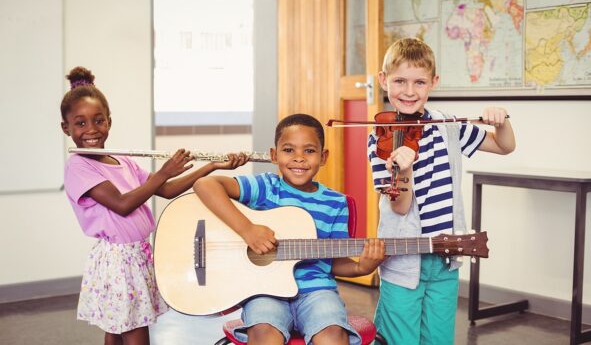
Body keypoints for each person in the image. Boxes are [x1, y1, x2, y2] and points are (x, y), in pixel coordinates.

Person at [60, 66, 247, 345]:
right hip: (118, 262)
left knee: (118, 329)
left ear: (109, 122)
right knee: (135, 332)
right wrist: (165, 171)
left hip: (137, 255)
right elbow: (122, 205)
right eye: (81, 123)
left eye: (98, 121)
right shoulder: (78, 166)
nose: (91, 130)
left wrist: (212, 166)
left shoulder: (121, 160)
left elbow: (168, 190)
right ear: (67, 128)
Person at [368, 38, 516, 345]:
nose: (409, 91)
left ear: (433, 82)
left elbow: (504, 145)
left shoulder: (449, 125)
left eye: (419, 82)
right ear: (383, 80)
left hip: (445, 255)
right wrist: (404, 170)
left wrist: (501, 119)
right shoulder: (380, 137)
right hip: (403, 257)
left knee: (439, 338)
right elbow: (399, 207)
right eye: (399, 81)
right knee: (400, 339)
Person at [193, 113, 386, 345]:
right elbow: (205, 184)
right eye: (288, 150)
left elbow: (333, 259)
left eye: (309, 151)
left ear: (323, 157)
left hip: (317, 291)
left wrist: (360, 267)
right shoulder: (265, 187)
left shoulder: (336, 203)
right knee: (264, 334)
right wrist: (248, 230)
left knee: (333, 336)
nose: (299, 158)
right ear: (274, 155)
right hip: (265, 291)